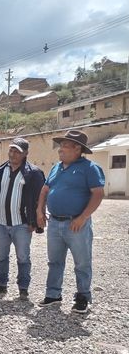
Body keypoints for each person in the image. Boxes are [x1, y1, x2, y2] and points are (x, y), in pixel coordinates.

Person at [36, 130, 105, 314]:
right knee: (54, 261)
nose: (60, 149)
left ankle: (82, 297)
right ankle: (53, 294)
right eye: (61, 145)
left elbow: (98, 194)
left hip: (77, 224)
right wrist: (39, 210)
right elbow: (45, 189)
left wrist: (83, 217)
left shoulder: (90, 168)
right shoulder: (56, 167)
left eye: (65, 145)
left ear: (77, 149)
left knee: (82, 262)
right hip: (55, 223)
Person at [0, 138, 45, 300]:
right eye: (11, 150)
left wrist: (35, 220)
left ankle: (23, 288)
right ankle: (1, 285)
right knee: (1, 256)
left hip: (22, 224)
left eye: (17, 151)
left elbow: (41, 198)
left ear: (25, 154)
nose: (13, 154)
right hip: (0, 223)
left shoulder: (34, 173)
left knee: (23, 257)